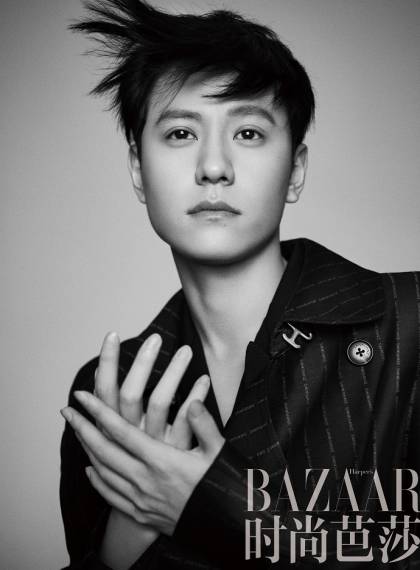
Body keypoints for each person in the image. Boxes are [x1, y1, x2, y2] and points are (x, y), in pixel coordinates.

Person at [60, 1, 420, 568]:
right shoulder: (113, 391)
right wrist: (126, 532)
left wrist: (214, 506)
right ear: (137, 171)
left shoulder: (410, 322)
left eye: (248, 132)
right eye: (181, 132)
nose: (213, 167)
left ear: (295, 170)